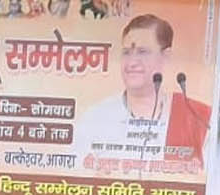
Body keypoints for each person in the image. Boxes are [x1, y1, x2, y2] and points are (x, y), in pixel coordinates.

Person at [72, 14, 211, 174]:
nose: (132, 62)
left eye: (143, 52)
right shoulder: (95, 118)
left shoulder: (196, 118)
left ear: (166, 57)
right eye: (126, 52)